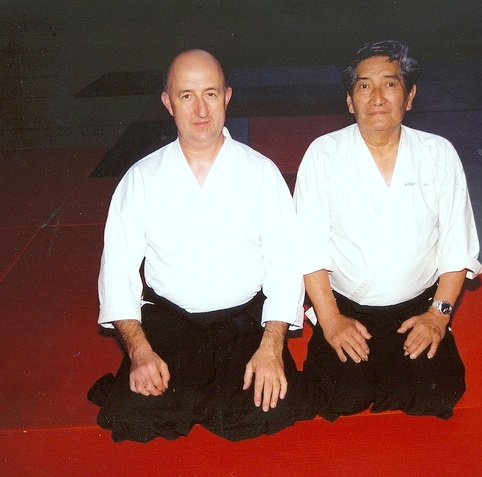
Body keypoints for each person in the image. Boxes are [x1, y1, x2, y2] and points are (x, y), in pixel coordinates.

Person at [88, 49, 316, 443]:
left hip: (244, 324)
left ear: (227, 97)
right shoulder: (141, 178)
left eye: (210, 94)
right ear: (168, 103)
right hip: (170, 323)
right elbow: (118, 270)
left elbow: (285, 265)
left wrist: (271, 348)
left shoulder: (260, 173)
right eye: (186, 95)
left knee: (270, 409)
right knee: (135, 415)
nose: (200, 110)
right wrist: (140, 352)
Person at [294, 40, 482, 422]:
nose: (377, 97)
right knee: (336, 396)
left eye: (390, 84)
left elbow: (457, 247)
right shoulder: (324, 154)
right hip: (346, 307)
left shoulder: (438, 153)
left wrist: (438, 316)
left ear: (409, 97)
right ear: (350, 101)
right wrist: (331, 322)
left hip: (417, 307)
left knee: (437, 394)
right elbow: (307, 248)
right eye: (364, 86)